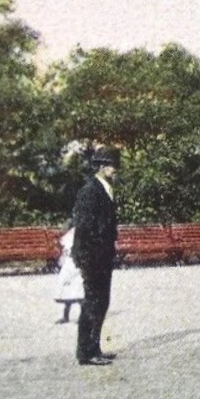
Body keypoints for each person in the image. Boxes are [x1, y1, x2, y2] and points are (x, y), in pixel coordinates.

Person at [72, 146, 121, 366]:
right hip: (93, 257)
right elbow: (83, 227)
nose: (115, 169)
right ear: (101, 166)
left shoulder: (105, 188)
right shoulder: (90, 190)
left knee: (101, 302)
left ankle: (94, 347)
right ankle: (86, 352)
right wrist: (85, 257)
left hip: (103, 256)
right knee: (93, 303)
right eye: (111, 165)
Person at [54, 226, 83, 324]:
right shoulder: (71, 233)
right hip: (69, 264)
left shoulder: (82, 232)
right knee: (67, 290)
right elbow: (65, 250)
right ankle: (66, 316)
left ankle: (82, 316)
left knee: (79, 290)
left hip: (77, 263)